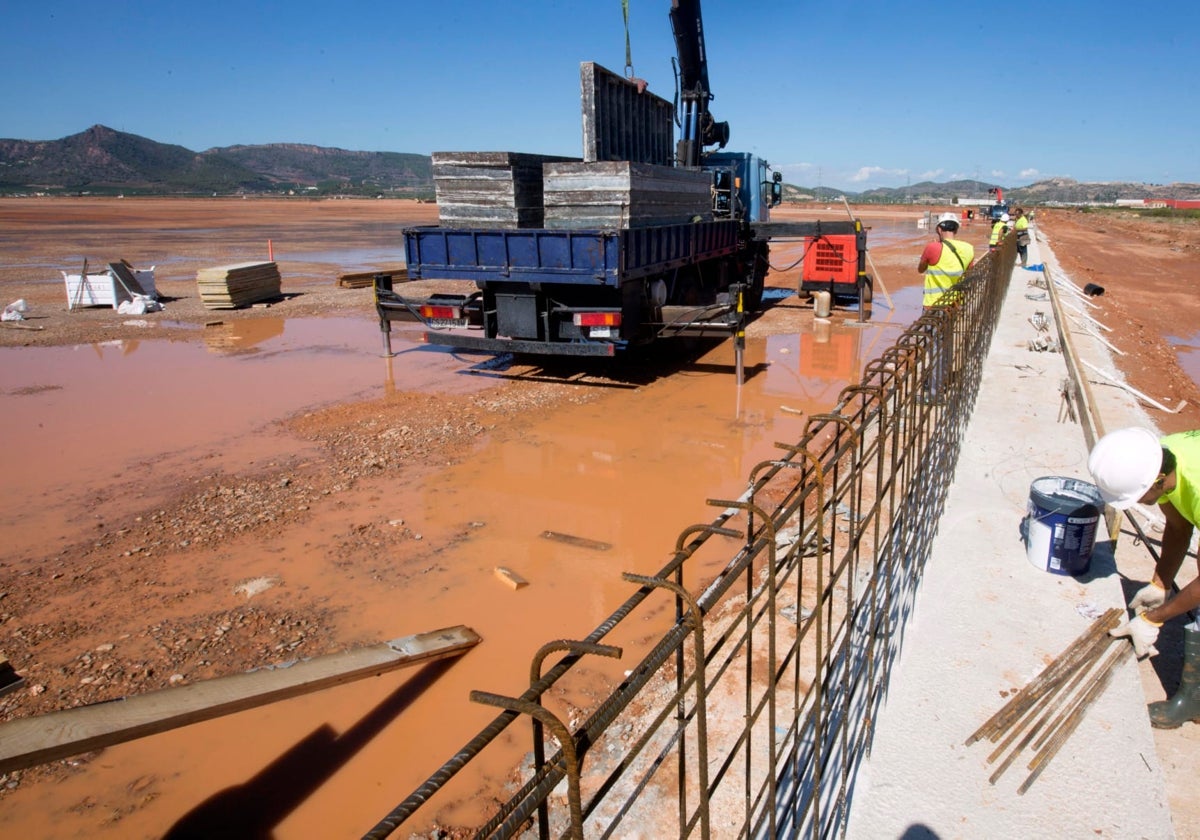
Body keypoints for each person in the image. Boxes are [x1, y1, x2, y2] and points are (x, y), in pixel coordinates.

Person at [1088, 427, 1200, 728]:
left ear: (1157, 481)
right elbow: (1178, 526)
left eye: (1139, 496)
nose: (1138, 501)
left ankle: (1194, 701)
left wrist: (1154, 619)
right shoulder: (1161, 457)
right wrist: (1161, 583)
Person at [918, 218, 975, 308]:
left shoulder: (933, 247)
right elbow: (969, 272)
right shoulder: (969, 248)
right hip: (955, 303)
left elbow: (920, 269)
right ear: (956, 230)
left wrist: (935, 247)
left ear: (939, 230)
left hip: (934, 305)